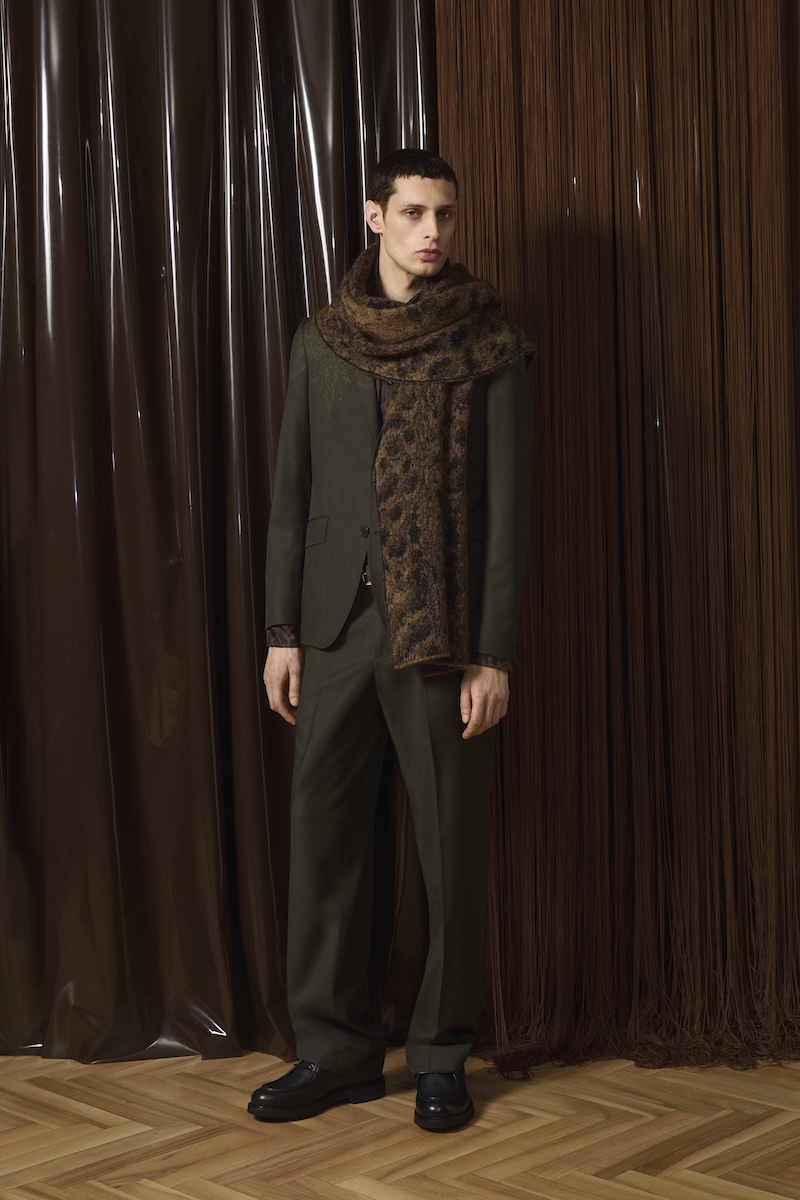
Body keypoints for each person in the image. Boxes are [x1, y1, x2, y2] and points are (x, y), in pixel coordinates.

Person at [248, 148, 533, 1132]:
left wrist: (493, 654)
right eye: (412, 212)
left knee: (448, 851)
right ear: (374, 218)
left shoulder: (490, 346)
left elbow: (507, 516)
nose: (432, 232)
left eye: (444, 214)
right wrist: (283, 631)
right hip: (333, 629)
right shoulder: (320, 340)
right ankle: (335, 1054)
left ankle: (442, 1056)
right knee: (324, 844)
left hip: (441, 632)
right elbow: (292, 499)